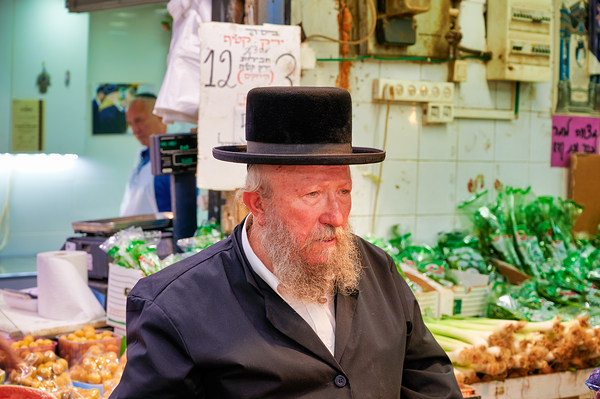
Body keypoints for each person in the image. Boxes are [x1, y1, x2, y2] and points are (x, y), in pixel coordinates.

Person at [109, 87, 462, 399]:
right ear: (257, 203)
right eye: (312, 194)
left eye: (343, 192)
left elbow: (430, 382)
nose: (336, 216)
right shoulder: (175, 308)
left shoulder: (377, 268)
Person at [119, 93, 171, 217]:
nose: (135, 130)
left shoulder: (172, 157)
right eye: (130, 124)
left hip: (160, 235)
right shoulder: (142, 156)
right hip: (133, 234)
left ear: (160, 117)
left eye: (139, 121)